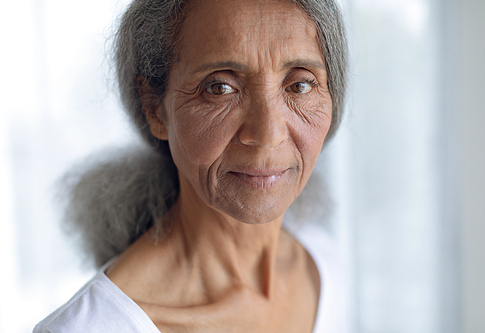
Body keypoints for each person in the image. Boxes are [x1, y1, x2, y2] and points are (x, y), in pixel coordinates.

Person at [34, 0, 347, 331]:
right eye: (219, 87)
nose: (268, 135)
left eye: (299, 84)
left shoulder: (323, 265)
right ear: (155, 107)